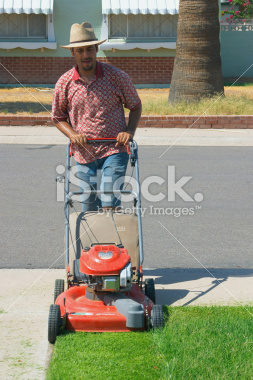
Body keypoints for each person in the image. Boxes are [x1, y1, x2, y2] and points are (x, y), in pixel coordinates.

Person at [51, 22, 142, 211]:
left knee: (109, 200)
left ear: (96, 49)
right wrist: (73, 135)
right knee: (89, 205)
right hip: (84, 150)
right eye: (80, 50)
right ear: (73, 53)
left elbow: (135, 105)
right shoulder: (65, 83)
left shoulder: (116, 77)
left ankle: (111, 238)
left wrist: (129, 132)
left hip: (114, 148)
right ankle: (93, 241)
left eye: (89, 49)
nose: (86, 55)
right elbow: (58, 117)